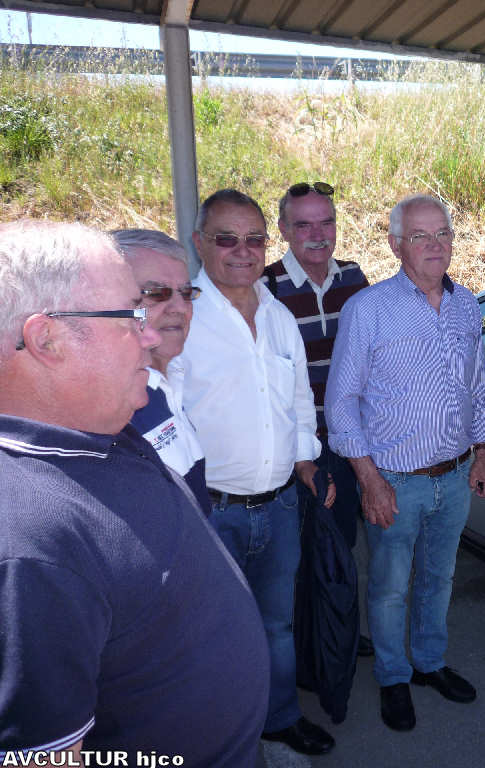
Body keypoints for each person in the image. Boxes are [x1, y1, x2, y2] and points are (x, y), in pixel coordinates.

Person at [0, 221, 269, 764]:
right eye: (130, 315)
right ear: (46, 339)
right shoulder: (26, 544)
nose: (149, 334)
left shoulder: (98, 430)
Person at [325, 193, 485, 732]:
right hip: (395, 481)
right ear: (396, 244)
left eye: (442, 233)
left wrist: (483, 452)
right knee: (390, 587)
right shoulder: (369, 309)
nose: (434, 245)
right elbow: (341, 401)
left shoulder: (467, 305)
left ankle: (428, 662)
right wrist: (369, 480)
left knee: (439, 579)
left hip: (455, 476)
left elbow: (477, 384)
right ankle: (393, 677)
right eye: (419, 235)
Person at [178, 189, 337, 757]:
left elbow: (297, 400)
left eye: (254, 239)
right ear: (199, 243)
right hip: (210, 512)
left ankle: (279, 717)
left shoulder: (276, 314)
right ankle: (219, 734)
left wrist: (307, 461)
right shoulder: (181, 318)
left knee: (277, 624)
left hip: (280, 503)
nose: (242, 251)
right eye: (227, 239)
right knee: (210, 630)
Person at [265, 180, 373, 656]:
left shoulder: (353, 279)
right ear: (284, 229)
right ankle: (302, 645)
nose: (317, 234)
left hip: (348, 439)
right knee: (294, 549)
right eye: (304, 224)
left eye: (326, 222)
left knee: (339, 542)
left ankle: (335, 631)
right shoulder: (265, 287)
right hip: (295, 445)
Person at [113, 228, 210, 515]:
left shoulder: (171, 376)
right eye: (156, 293)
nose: (180, 308)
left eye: (186, 293)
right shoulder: (112, 406)